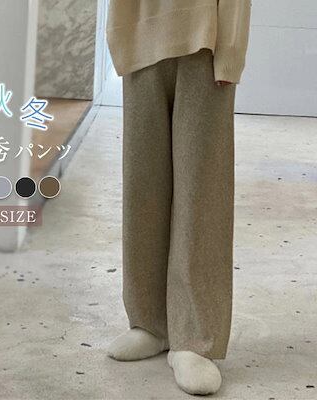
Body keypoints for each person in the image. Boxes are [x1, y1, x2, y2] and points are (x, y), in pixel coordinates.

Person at [105, 0, 252, 396]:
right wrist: (119, 36)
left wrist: (230, 50)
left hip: (205, 41)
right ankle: (150, 322)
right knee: (142, 189)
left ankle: (194, 338)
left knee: (201, 192)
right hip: (140, 39)